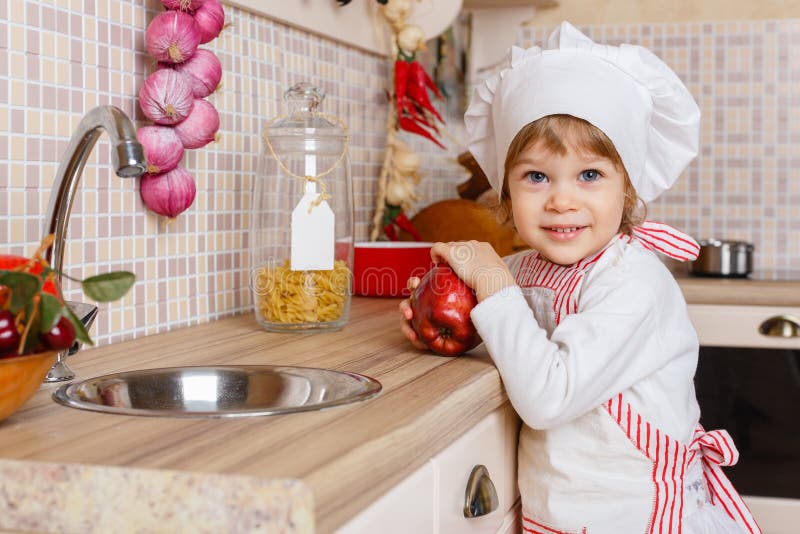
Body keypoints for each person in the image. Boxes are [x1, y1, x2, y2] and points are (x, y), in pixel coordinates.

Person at [399, 22, 761, 534]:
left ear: (627, 191)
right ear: (505, 192)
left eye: (590, 175)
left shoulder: (634, 283)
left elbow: (549, 396)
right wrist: (449, 332)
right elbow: (520, 349)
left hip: (639, 517)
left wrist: (491, 284)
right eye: (536, 176)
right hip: (562, 514)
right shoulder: (523, 270)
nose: (561, 199)